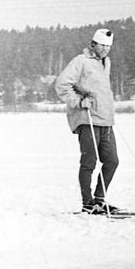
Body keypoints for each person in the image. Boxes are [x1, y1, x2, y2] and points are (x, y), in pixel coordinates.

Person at [55, 29, 120, 214]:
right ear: (93, 44)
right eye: (102, 45)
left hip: (105, 120)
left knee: (112, 161)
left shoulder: (106, 62)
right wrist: (78, 101)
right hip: (87, 119)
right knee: (89, 162)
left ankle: (100, 199)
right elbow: (61, 84)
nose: (106, 49)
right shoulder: (81, 61)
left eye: (108, 46)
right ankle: (87, 202)